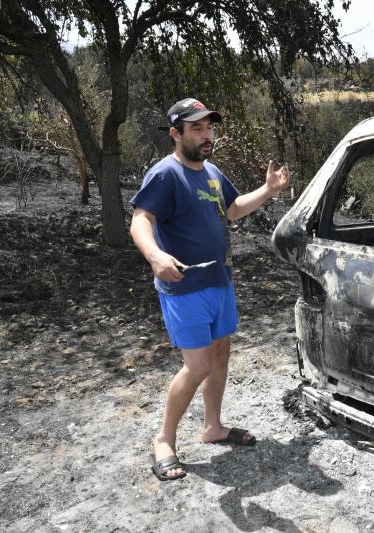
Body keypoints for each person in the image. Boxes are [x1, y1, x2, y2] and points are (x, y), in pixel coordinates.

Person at [130, 97, 290, 481]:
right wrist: (155, 257)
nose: (206, 135)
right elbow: (140, 221)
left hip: (220, 280)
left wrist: (267, 190)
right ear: (176, 133)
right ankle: (164, 440)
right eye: (197, 128)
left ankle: (212, 427)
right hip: (185, 287)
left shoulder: (212, 172)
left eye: (210, 128)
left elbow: (232, 209)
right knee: (197, 365)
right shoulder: (165, 174)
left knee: (220, 353)